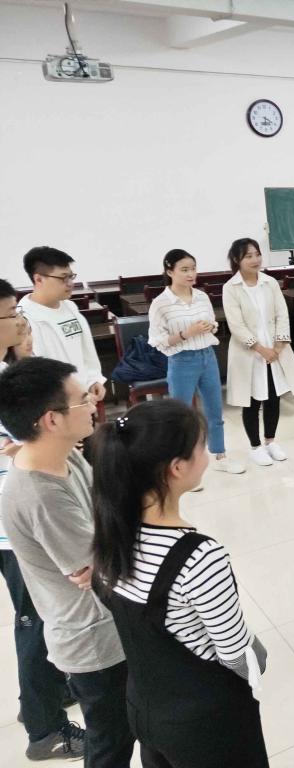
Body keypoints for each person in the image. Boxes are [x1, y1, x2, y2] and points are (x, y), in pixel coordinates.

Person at [91, 399, 270, 767]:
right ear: (176, 467)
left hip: (144, 706)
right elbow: (236, 654)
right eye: (201, 447)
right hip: (204, 723)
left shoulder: (111, 535)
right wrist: (259, 655)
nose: (207, 455)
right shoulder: (198, 556)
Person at [0, 358, 134, 766]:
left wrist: (112, 543)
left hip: (109, 619)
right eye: (81, 399)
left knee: (127, 727)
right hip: (93, 639)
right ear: (51, 420)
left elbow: (110, 516)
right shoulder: (41, 495)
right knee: (111, 743)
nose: (94, 403)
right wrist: (113, 547)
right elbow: (105, 564)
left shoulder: (62, 456)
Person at [0, 282, 83, 761]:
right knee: (35, 619)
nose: (20, 321)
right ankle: (44, 729)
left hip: (22, 514)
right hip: (14, 524)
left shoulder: (8, 372)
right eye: (12, 314)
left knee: (44, 611)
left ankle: (49, 691)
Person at [149, 249, 244, 474]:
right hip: (181, 361)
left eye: (193, 269)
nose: (191, 274)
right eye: (184, 270)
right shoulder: (160, 303)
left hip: (207, 357)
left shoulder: (202, 296)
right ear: (169, 271)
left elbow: (213, 323)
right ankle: (182, 465)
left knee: (215, 411)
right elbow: (158, 341)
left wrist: (211, 327)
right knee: (181, 417)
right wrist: (186, 333)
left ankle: (220, 456)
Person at [222, 238, 294, 467]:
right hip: (249, 353)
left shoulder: (270, 283)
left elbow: (282, 314)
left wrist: (278, 346)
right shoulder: (230, 288)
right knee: (251, 400)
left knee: (273, 397)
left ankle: (270, 441)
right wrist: (260, 349)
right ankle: (255, 447)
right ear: (237, 259)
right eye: (248, 256)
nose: (255, 259)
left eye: (257, 254)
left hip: (275, 350)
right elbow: (236, 325)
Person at [18, 246, 106, 403]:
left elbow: (86, 349)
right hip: (55, 402)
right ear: (39, 279)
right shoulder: (24, 318)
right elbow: (35, 370)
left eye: (71, 277)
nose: (70, 283)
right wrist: (73, 396)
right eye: (63, 278)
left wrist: (93, 379)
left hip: (83, 397)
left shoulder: (70, 308)